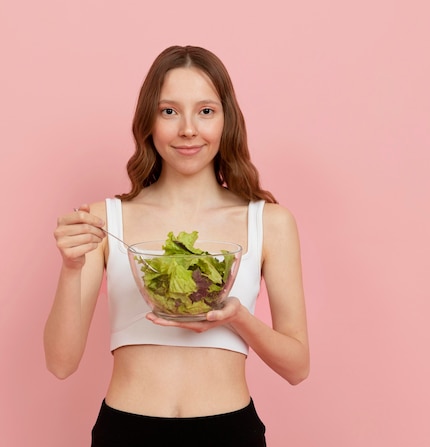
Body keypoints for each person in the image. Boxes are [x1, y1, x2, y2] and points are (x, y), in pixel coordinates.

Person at [44, 45, 309, 446]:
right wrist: (70, 268)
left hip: (229, 431)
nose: (188, 129)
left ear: (226, 120)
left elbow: (297, 366)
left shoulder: (270, 222)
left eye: (206, 111)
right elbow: (60, 363)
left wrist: (237, 318)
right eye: (169, 111)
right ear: (148, 120)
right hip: (126, 431)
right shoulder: (105, 219)